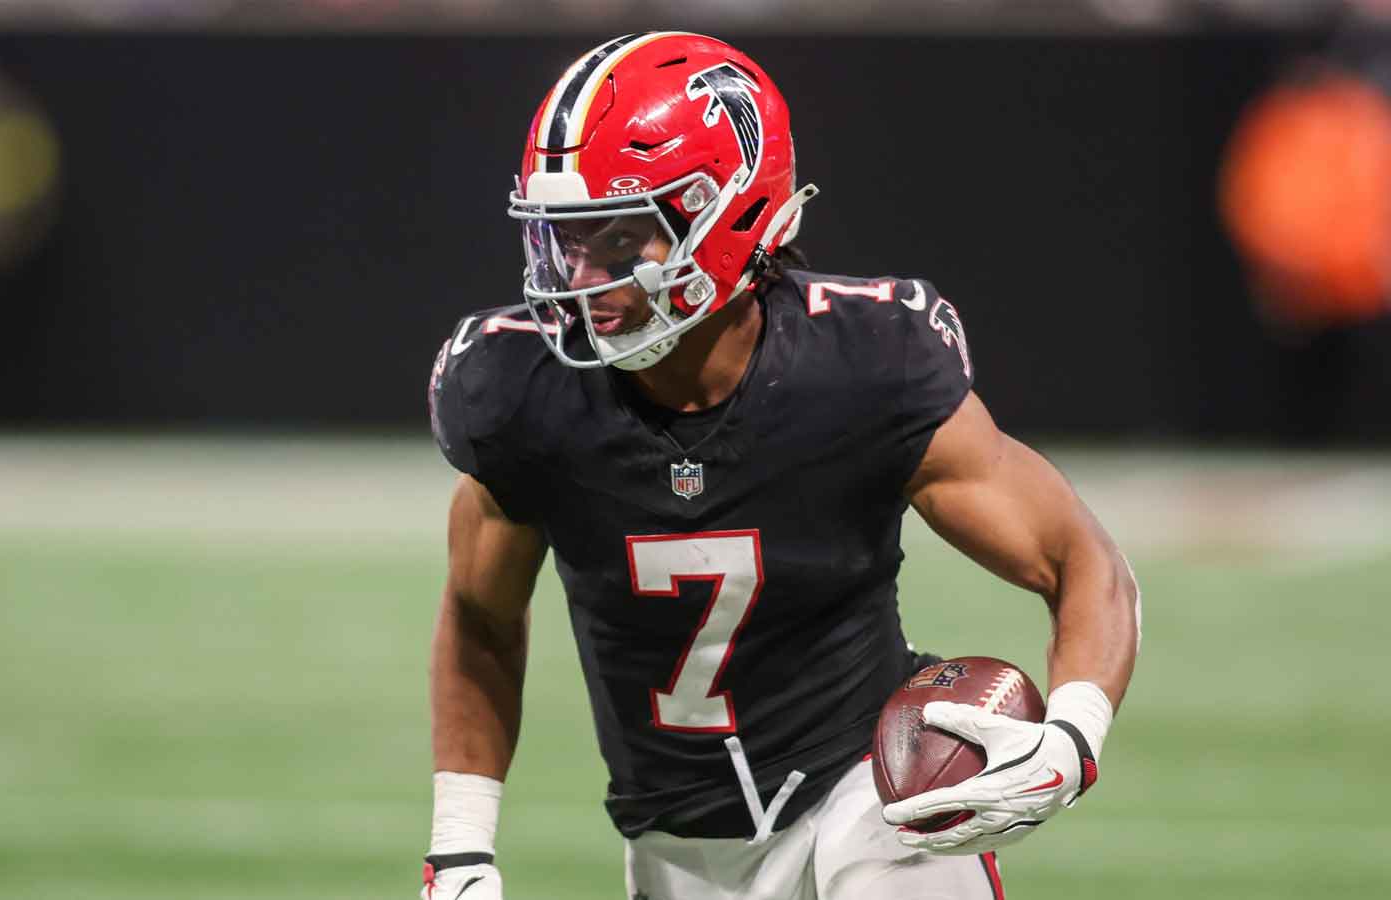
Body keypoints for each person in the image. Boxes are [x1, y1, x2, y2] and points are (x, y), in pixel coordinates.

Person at [422, 32, 1140, 900]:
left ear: (730, 219)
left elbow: (1080, 559)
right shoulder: (517, 390)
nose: (579, 278)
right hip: (672, 840)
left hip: (869, 793)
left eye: (617, 240)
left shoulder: (867, 365)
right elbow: (480, 615)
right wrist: (460, 850)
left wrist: (1072, 735)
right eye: (561, 239)